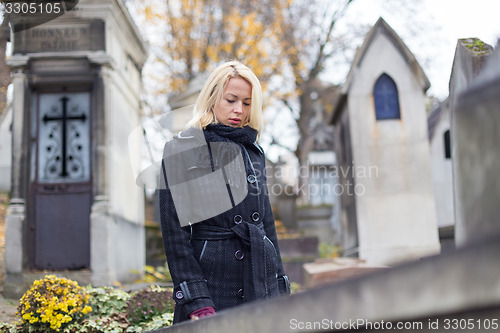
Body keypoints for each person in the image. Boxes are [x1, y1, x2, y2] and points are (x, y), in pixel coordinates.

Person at [159, 60, 290, 324]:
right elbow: (175, 234)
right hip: (212, 283)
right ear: (212, 97)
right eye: (231, 100)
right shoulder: (181, 150)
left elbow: (266, 225)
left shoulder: (254, 152)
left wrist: (279, 287)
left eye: (246, 102)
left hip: (258, 279)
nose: (238, 110)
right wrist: (197, 301)